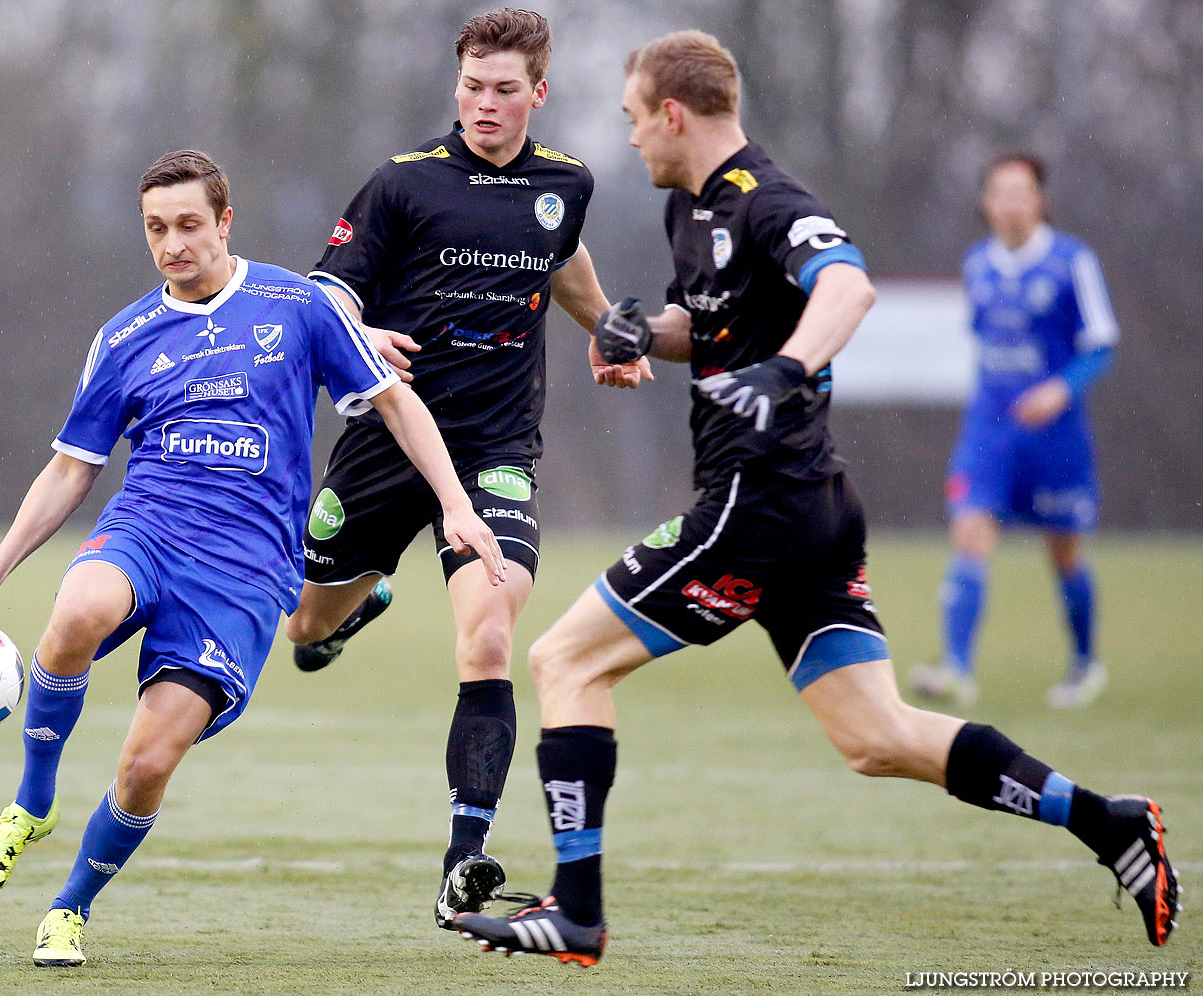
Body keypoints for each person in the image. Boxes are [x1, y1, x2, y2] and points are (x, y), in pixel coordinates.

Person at [453, 30, 1177, 965]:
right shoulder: (690, 212)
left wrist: (794, 365)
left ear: (673, 113)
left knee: (561, 663)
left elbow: (849, 285)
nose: (631, 139)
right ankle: (1109, 822)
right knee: (876, 739)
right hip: (810, 510)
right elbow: (707, 327)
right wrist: (645, 330)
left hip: (756, 504)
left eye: (635, 119)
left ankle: (577, 910)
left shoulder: (769, 200)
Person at [0, 149, 506, 967]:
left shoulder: (299, 305)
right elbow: (73, 465)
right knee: (75, 614)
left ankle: (69, 908)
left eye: (187, 225)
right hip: (148, 529)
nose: (172, 244)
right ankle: (32, 801)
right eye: (155, 229)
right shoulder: (126, 336)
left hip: (246, 577)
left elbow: (395, 402)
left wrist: (457, 505)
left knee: (145, 764)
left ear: (224, 222)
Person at [281, 8, 650, 930]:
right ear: (458, 87)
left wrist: (605, 328)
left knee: (489, 640)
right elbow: (324, 287)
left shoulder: (567, 182)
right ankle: (347, 609)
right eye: (473, 88)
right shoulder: (402, 184)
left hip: (494, 451)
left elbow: (559, 264)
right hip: (388, 441)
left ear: (539, 93)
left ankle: (464, 858)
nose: (485, 105)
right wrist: (360, 330)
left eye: (504, 90)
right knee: (301, 626)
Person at [910, 153, 1118, 709]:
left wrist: (1059, 388)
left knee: (1065, 553)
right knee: (969, 535)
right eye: (999, 191)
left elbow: (1100, 344)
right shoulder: (977, 262)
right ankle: (956, 668)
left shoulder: (1072, 261)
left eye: (1021, 191)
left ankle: (1083, 663)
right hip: (989, 431)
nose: (1009, 202)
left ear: (1039, 200)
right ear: (986, 202)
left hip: (1056, 438)